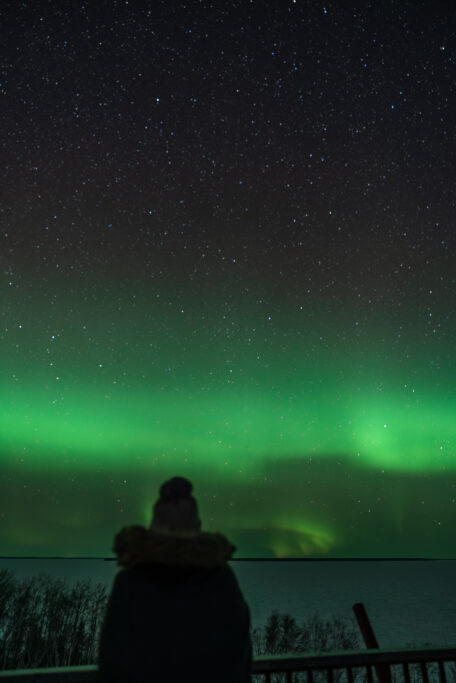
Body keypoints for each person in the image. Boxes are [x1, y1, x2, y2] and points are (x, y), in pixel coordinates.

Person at [97, 475, 253, 682]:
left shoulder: (130, 582)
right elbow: (237, 658)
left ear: (154, 525)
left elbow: (112, 660)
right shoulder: (221, 580)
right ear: (196, 526)